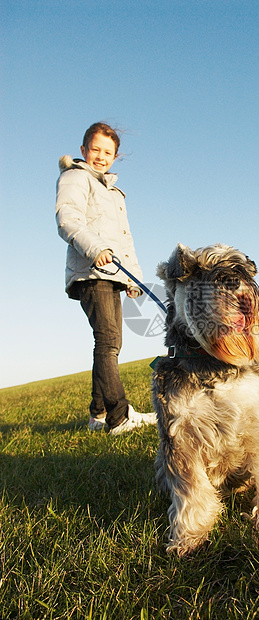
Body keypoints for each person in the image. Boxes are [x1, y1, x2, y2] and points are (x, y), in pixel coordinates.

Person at [55, 122, 156, 435]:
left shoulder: (112, 191)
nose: (101, 156)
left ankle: (98, 414)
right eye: (95, 149)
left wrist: (134, 279)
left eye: (108, 152)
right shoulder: (75, 177)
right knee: (108, 342)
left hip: (111, 274)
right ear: (84, 150)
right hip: (91, 272)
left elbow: (125, 239)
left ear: (115, 156)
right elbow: (67, 218)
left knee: (111, 342)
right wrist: (95, 247)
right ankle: (118, 416)